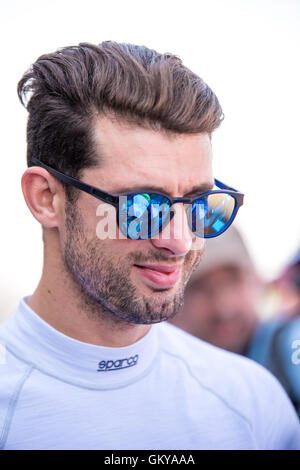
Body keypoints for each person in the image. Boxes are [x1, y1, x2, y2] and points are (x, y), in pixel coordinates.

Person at [0, 41, 299, 451]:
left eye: (197, 204)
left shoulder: (253, 403)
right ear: (45, 198)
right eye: (141, 206)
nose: (179, 241)